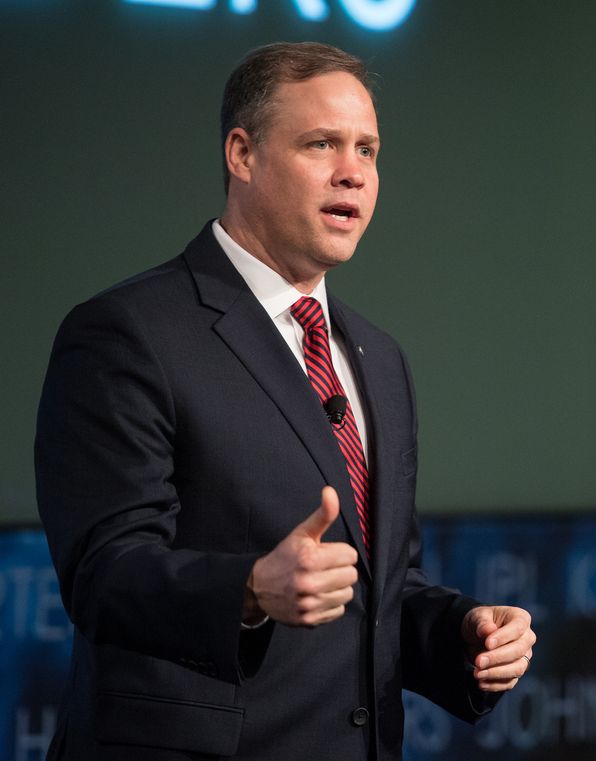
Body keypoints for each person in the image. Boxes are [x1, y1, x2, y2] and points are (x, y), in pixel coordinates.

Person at [35, 41, 535, 760]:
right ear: (242, 154)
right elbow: (103, 573)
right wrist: (247, 588)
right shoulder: (128, 332)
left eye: (368, 149)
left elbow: (377, 588)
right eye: (322, 143)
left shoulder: (377, 357)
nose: (352, 173)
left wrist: (462, 631)